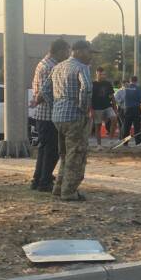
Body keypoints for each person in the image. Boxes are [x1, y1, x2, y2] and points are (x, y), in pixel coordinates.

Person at [39, 39, 95, 201]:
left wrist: (55, 106)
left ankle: (59, 187)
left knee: (65, 154)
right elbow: (87, 88)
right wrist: (83, 108)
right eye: (89, 52)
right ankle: (69, 191)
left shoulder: (57, 67)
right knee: (76, 155)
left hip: (58, 117)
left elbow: (45, 91)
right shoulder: (81, 67)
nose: (90, 57)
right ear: (79, 51)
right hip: (75, 117)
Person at [29, 38, 70, 192]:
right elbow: (47, 93)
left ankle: (39, 178)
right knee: (51, 150)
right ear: (59, 50)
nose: (67, 55)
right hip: (48, 115)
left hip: (43, 115)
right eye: (66, 51)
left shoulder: (43, 63)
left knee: (44, 149)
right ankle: (44, 181)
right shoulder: (50, 67)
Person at [90, 67, 116, 148]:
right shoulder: (92, 84)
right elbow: (89, 98)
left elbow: (112, 96)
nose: (103, 76)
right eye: (101, 74)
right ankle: (99, 145)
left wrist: (115, 108)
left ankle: (110, 139)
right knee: (98, 126)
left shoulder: (108, 84)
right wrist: (91, 110)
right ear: (97, 74)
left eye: (104, 74)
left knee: (114, 118)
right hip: (97, 108)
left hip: (107, 106)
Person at [119, 75, 141, 145]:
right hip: (136, 109)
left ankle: (125, 142)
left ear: (130, 81)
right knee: (137, 126)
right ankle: (138, 142)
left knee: (126, 126)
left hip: (127, 109)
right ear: (136, 81)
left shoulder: (125, 88)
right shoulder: (138, 88)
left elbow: (121, 98)